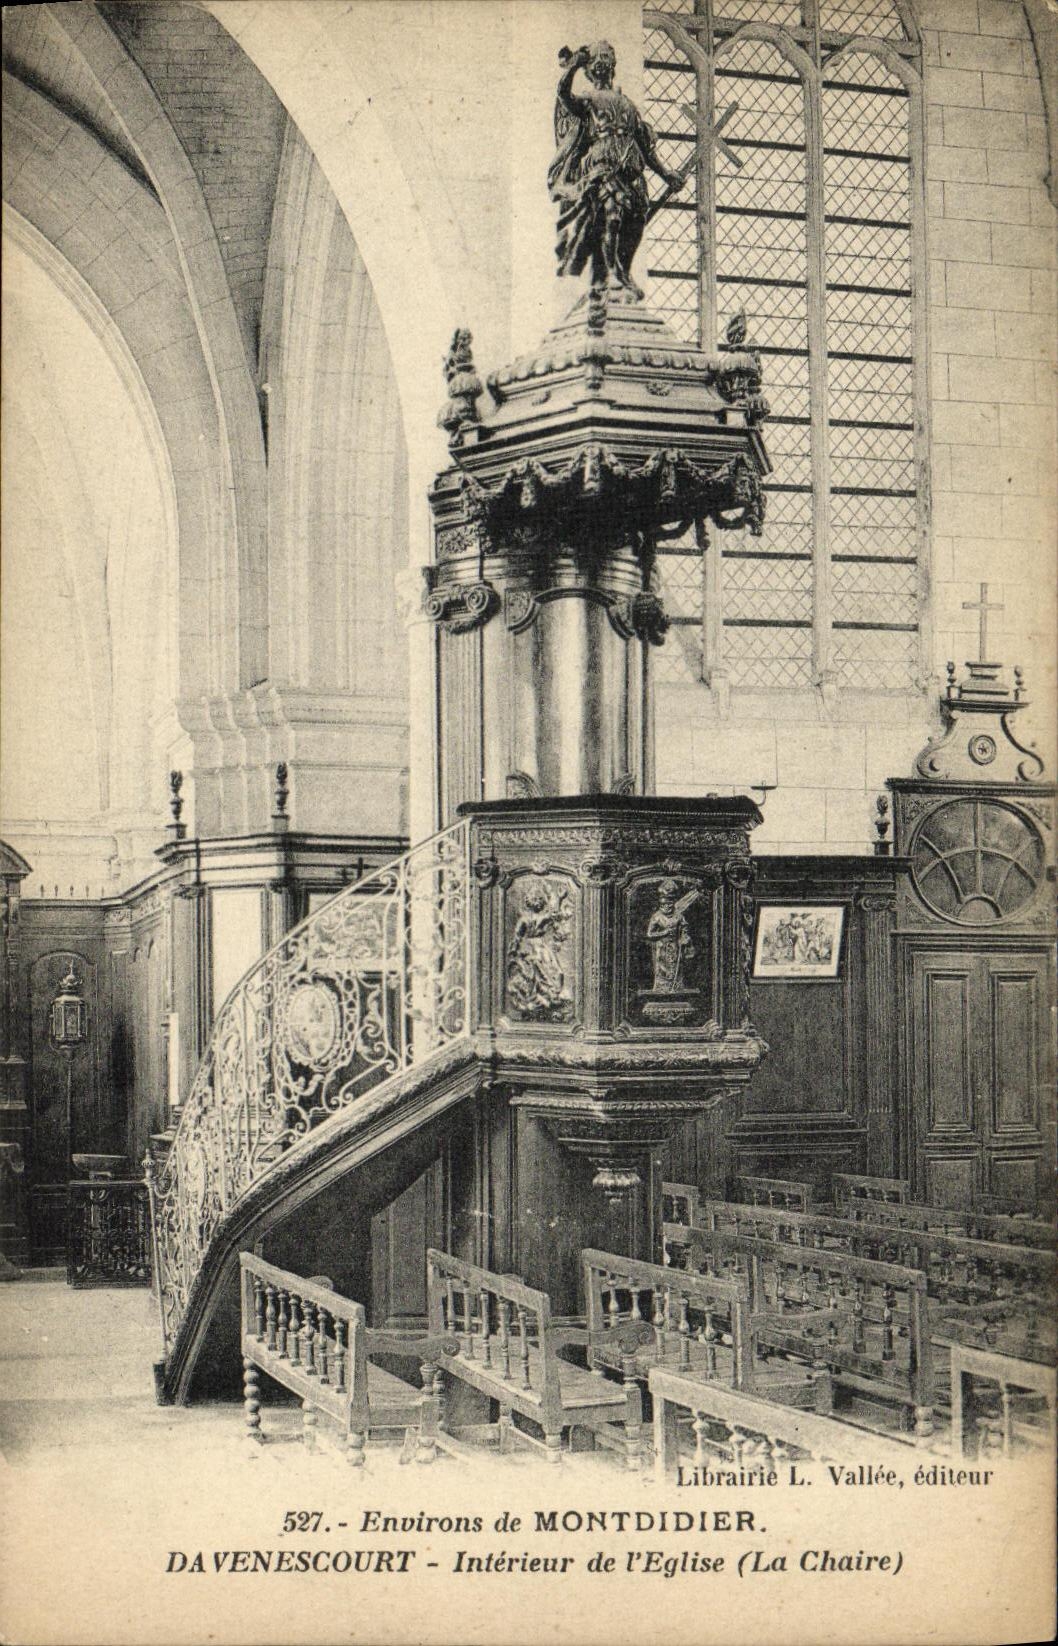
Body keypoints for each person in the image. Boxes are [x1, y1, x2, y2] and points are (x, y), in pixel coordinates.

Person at [548, 41, 686, 299]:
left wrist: (667, 174)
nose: (602, 65)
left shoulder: (629, 105)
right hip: (603, 168)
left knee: (635, 218)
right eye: (597, 61)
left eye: (607, 60)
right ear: (590, 70)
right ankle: (611, 274)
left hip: (631, 171)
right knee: (612, 214)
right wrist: (573, 67)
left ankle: (622, 270)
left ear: (612, 67)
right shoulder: (588, 100)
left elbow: (645, 148)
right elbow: (563, 94)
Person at [646, 879, 700, 993]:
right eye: (664, 904)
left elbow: (684, 927)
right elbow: (649, 934)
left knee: (676, 966)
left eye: (669, 903)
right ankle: (662, 989)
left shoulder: (678, 915)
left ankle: (675, 988)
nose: (667, 906)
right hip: (661, 948)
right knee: (662, 970)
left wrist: (684, 937)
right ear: (661, 903)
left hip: (675, 946)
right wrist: (663, 933)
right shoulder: (656, 916)